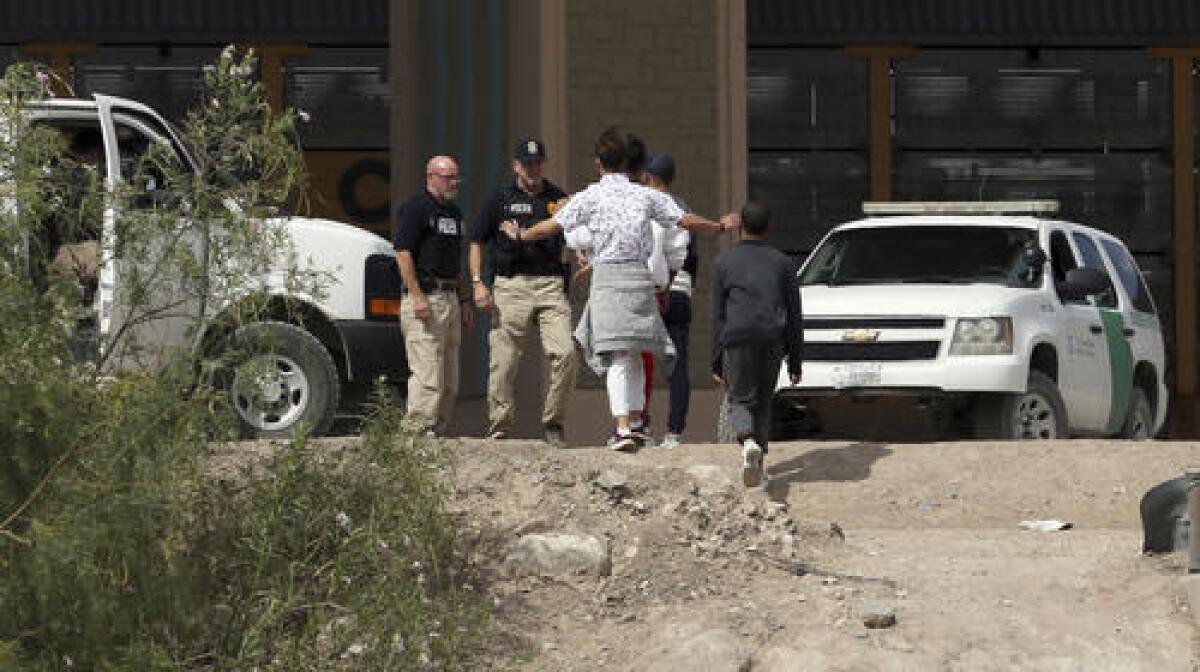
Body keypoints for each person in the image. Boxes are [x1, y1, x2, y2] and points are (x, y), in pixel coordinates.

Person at [502, 128, 735, 452]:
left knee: (617, 356)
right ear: (627, 163)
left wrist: (521, 235)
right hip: (639, 281)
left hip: (609, 281)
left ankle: (623, 427)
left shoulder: (590, 196)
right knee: (636, 354)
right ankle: (637, 423)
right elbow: (684, 220)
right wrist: (719, 227)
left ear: (599, 163)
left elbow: (551, 227)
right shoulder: (645, 195)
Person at [468, 139, 577, 447]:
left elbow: (574, 235)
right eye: (527, 164)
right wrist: (477, 282)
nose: (533, 169)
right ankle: (500, 426)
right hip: (511, 285)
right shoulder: (499, 198)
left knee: (566, 353)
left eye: (537, 163)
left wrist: (582, 255)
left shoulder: (558, 198)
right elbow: (476, 240)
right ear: (516, 166)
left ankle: (553, 423)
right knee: (504, 360)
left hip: (550, 284)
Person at [711, 201, 803, 488]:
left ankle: (747, 441)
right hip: (772, 338)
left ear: (740, 227)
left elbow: (717, 315)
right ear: (768, 228)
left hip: (737, 338)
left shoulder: (723, 262)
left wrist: (716, 359)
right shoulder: (782, 263)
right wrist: (796, 360)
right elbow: (794, 313)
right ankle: (759, 466)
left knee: (739, 399)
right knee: (763, 403)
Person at [394, 155, 474, 437]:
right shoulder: (416, 209)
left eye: (456, 177)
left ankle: (438, 428)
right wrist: (417, 296)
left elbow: (457, 263)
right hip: (425, 297)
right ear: (431, 177)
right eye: (448, 177)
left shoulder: (454, 214)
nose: (454, 183)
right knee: (427, 372)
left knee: (449, 377)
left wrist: (464, 301)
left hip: (450, 297)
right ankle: (416, 429)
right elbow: (403, 254)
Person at [644, 153, 696, 449]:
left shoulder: (646, 208)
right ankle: (675, 432)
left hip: (651, 291)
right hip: (680, 292)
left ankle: (642, 426)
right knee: (678, 364)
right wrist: (684, 286)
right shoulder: (683, 209)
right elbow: (694, 255)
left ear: (649, 178)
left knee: (642, 360)